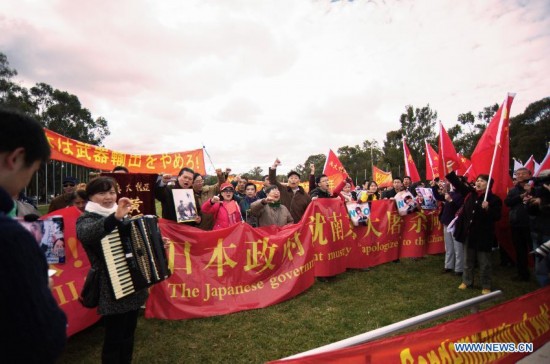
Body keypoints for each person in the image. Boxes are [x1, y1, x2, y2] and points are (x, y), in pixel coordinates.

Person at [0, 108, 67, 363]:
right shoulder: (11, 239)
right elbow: (43, 338)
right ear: (16, 158)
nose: (27, 181)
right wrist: (41, 290)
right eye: (34, 169)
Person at [76, 177, 146, 363]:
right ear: (91, 196)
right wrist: (115, 218)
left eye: (112, 192)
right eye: (102, 193)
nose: (108, 197)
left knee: (128, 334)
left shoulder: (121, 214)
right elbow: (89, 234)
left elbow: (134, 242)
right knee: (114, 338)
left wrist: (153, 245)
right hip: (111, 286)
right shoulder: (86, 218)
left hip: (132, 282)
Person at [446, 161, 502, 295]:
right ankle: (467, 281)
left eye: (482, 181)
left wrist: (488, 208)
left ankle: (486, 285)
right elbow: (459, 185)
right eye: (477, 180)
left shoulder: (494, 199)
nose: (478, 183)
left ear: (488, 184)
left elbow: (497, 216)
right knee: (468, 261)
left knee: (484, 263)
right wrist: (450, 170)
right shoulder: (470, 194)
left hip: (484, 236)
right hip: (469, 234)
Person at [504, 167, 533, 281]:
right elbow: (507, 202)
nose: (520, 176)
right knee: (520, 250)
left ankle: (543, 273)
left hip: (531, 224)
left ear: (529, 175)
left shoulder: (535, 187)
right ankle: (523, 274)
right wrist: (520, 197)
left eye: (523, 173)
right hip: (516, 224)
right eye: (517, 174)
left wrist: (531, 193)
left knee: (535, 249)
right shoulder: (513, 190)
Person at [432, 178, 464, 276]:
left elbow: (460, 207)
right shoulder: (451, 193)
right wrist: (434, 187)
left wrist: (450, 200)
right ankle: (449, 266)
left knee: (458, 247)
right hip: (447, 223)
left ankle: (459, 269)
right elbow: (438, 197)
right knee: (449, 246)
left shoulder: (463, 195)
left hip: (456, 224)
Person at [526, 170, 550, 287]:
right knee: (540, 262)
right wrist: (530, 203)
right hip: (538, 231)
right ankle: (543, 289)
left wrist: (544, 202)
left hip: (547, 233)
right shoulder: (539, 193)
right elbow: (532, 213)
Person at [269, 158, 311, 223]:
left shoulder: (305, 196)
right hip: (284, 224)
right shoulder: (282, 189)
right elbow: (272, 180)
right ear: (288, 180)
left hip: (299, 226)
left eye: (296, 178)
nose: (293, 180)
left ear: (299, 181)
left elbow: (310, 211)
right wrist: (274, 167)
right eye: (291, 178)